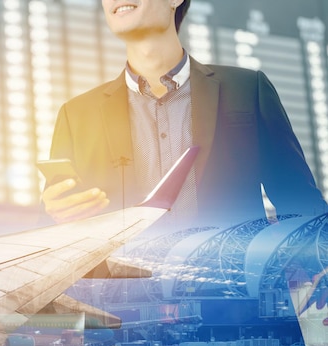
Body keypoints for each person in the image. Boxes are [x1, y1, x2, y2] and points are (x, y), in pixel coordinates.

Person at [41, 0, 326, 227]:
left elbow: (302, 205)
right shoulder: (76, 115)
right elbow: (51, 236)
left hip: (232, 295)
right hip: (120, 298)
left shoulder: (247, 90)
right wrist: (58, 214)